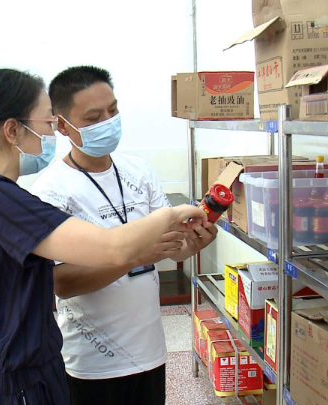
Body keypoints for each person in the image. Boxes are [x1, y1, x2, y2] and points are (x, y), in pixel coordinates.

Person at [0, 68, 208, 405]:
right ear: (13, 130)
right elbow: (112, 248)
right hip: (14, 386)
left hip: (13, 376)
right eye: (47, 125)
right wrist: (171, 215)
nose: (53, 136)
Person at [30, 66, 218, 405]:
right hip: (92, 361)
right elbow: (61, 283)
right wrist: (136, 256)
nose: (108, 122)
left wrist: (193, 243)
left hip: (149, 349)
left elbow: (173, 248)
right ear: (62, 126)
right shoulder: (51, 192)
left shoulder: (138, 171)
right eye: (93, 117)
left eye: (112, 111)